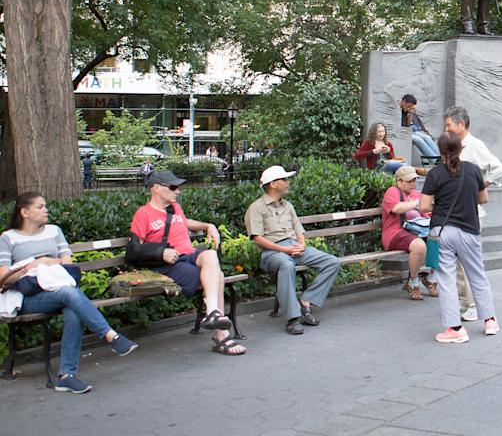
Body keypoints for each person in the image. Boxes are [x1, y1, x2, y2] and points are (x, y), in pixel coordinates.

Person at [0, 192, 138, 393]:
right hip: (27, 298)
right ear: (25, 212)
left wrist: (50, 263)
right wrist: (32, 265)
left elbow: (67, 265)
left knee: (71, 303)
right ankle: (110, 336)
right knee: (69, 293)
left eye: (45, 205)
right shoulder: (8, 238)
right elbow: (3, 278)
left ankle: (66, 376)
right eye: (40, 207)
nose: (45, 210)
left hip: (58, 289)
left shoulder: (55, 231)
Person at [129, 170, 245, 355]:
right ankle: (221, 335)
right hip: (168, 264)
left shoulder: (174, 208)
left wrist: (208, 226)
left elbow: (184, 222)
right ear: (156, 188)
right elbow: (133, 250)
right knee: (219, 277)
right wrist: (161, 253)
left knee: (209, 255)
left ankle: (213, 313)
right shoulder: (143, 214)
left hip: (188, 256)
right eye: (173, 187)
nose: (178, 191)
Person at [419, 132, 499, 343]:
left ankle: (455, 328)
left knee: (446, 279)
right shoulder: (472, 170)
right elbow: (484, 198)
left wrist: (441, 204)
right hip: (470, 229)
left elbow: (424, 206)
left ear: (440, 152)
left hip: (443, 232)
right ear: (461, 148)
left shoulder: (435, 174)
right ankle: (490, 320)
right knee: (477, 275)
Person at [244, 165, 340, 335]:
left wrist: (301, 244)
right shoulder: (256, 207)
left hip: (294, 247)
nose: (288, 183)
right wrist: (285, 250)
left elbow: (299, 230)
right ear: (273, 184)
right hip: (272, 253)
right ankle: (292, 318)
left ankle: (306, 300)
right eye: (285, 179)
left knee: (331, 262)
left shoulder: (288, 206)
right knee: (286, 265)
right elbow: (257, 238)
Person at [437, 106, 502, 320]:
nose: (446, 128)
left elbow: (499, 168)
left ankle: (474, 305)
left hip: (471, 213)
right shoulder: (454, 147)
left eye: (449, 124)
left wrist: (480, 186)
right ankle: (461, 302)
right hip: (453, 214)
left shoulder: (475, 145)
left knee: (469, 263)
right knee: (456, 264)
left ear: (461, 124)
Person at [381, 164, 438, 300]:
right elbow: (397, 208)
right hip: (395, 232)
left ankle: (430, 277)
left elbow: (426, 212)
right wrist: (418, 203)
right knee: (419, 246)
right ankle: (413, 282)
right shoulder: (392, 191)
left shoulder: (416, 194)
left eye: (414, 180)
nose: (413, 183)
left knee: (440, 240)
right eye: (409, 181)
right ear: (399, 181)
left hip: (417, 231)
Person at [400, 94, 440, 163]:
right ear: (403, 101)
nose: (409, 108)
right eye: (408, 106)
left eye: (411, 107)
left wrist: (411, 114)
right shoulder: (397, 108)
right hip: (401, 132)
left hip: (409, 131)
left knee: (427, 137)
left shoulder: (408, 110)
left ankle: (441, 158)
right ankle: (435, 161)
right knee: (418, 140)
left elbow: (408, 125)